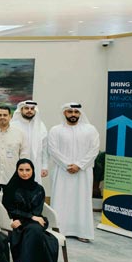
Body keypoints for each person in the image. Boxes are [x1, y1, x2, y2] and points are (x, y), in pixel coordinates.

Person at [48, 103, 100, 243]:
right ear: (64, 113)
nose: (73, 114)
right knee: (61, 199)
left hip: (83, 172)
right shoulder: (56, 130)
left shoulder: (90, 130)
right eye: (70, 111)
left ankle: (82, 231)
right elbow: (52, 150)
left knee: (81, 201)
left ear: (80, 114)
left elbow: (94, 149)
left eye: (76, 112)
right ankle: (59, 230)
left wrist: (79, 165)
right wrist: (67, 165)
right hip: (62, 171)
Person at [2, 159, 58, 262]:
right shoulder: (10, 188)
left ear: (33, 171)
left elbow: (37, 211)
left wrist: (26, 219)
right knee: (36, 232)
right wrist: (26, 218)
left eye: (28, 170)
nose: (24, 173)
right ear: (16, 171)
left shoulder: (39, 189)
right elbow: (10, 209)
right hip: (18, 222)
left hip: (34, 221)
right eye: (21, 170)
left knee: (35, 229)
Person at [0, 105, 29, 206]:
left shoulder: (20, 133)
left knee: (11, 205)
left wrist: (23, 173)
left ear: (10, 117)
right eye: (0, 115)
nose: (2, 117)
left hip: (12, 176)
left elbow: (24, 155)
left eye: (5, 115)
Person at [12, 100, 49, 184]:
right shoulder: (13, 125)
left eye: (32, 109)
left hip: (36, 164)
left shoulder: (41, 126)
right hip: (16, 164)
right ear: (21, 110)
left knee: (34, 187)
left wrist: (44, 166)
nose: (29, 111)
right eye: (26, 108)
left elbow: (44, 148)